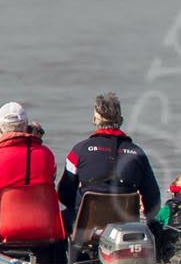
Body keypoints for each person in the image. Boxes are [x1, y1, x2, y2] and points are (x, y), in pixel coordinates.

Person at [0, 102, 66, 250]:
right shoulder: (47, 154)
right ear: (26, 125)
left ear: (0, 127)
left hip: (2, 229)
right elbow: (50, 179)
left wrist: (0, 142)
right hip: (45, 227)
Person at [59, 92, 160, 224]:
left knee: (63, 217)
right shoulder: (138, 154)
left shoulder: (78, 151)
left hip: (86, 229)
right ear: (121, 121)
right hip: (127, 228)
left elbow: (65, 195)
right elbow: (153, 201)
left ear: (94, 120)